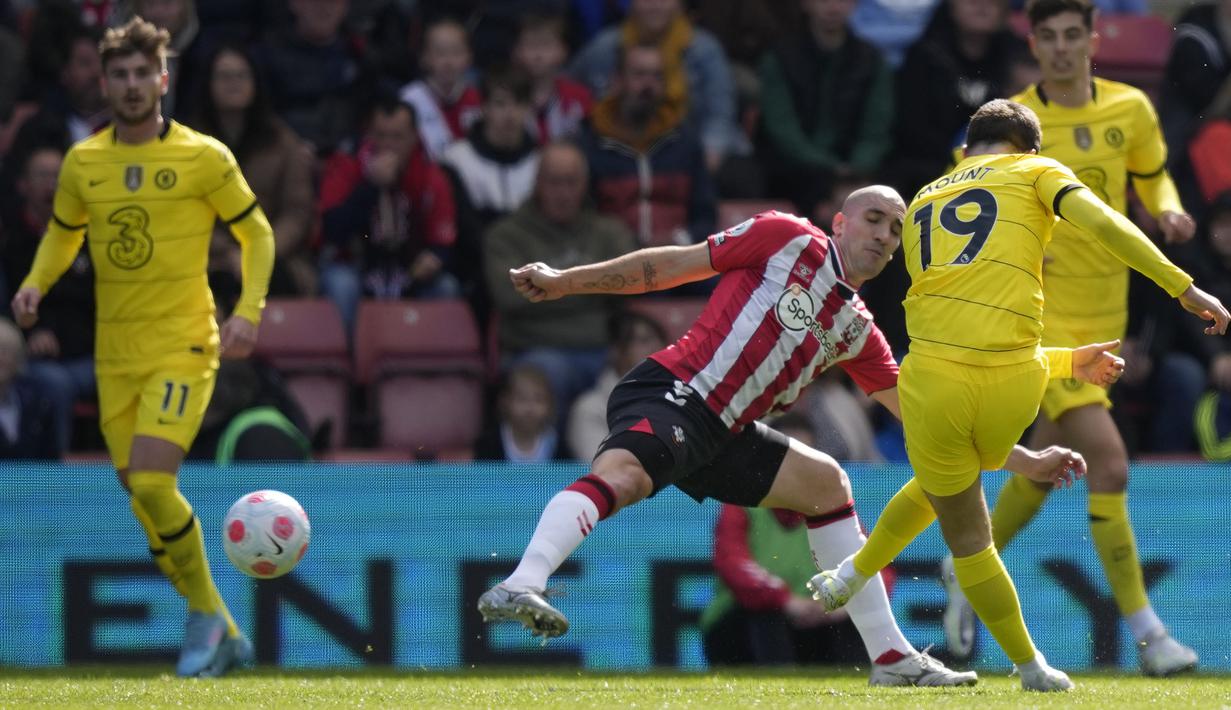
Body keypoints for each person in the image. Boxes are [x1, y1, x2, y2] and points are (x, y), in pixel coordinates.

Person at [477, 189, 1111, 686]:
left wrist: (1024, 460)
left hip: (725, 430)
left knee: (825, 483)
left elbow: (922, 425)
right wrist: (566, 280)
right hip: (675, 391)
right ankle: (521, 582)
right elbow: (667, 268)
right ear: (839, 222)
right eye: (873, 219)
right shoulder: (784, 237)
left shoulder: (859, 329)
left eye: (895, 229)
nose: (884, 235)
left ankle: (890, 657)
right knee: (625, 477)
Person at [807, 99, 1228, 692]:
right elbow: (1107, 224)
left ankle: (879, 583)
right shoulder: (1036, 171)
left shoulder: (925, 196)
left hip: (927, 379)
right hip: (1012, 381)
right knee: (962, 500)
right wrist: (1182, 286)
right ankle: (1038, 659)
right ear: (1029, 147)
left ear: (971, 143)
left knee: (958, 510)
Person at [942, 0, 1204, 676]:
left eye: (1071, 36)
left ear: (1091, 39)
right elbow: (958, 194)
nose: (1060, 49)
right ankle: (1149, 637)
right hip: (1036, 316)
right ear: (1033, 43)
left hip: (1104, 316)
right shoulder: (1009, 123)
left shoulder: (1129, 110)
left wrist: (1169, 210)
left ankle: (966, 561)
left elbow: (1151, 176)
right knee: (1108, 464)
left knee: (1045, 460)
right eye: (1047, 38)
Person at [10, 17, 275, 677]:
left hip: (184, 340)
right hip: (113, 354)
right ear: (103, 82)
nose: (131, 86)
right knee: (142, 498)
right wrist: (35, 283)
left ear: (164, 78)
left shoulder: (203, 157)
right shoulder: (84, 162)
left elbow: (259, 233)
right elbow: (64, 233)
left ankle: (204, 620)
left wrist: (247, 311)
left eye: (141, 73)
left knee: (156, 482)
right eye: (118, 75)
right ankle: (226, 629)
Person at [484, 141, 636, 427]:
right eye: (554, 182)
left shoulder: (609, 232)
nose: (563, 193)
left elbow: (627, 284)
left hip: (604, 352)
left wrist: (548, 286)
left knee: (648, 371)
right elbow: (509, 296)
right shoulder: (506, 236)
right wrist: (593, 284)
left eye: (571, 182)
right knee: (543, 377)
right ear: (537, 183)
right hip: (536, 352)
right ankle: (545, 470)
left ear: (585, 185)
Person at [700, 412, 870, 667]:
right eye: (788, 460)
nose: (797, 469)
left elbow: (872, 565)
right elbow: (732, 564)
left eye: (806, 459)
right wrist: (786, 601)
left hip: (818, 621)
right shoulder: (741, 504)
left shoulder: (831, 503)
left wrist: (841, 605)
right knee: (767, 616)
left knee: (852, 621)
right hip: (742, 627)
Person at [318, 96, 459, 332]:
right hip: (357, 266)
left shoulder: (431, 175)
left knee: (446, 287)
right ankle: (352, 364)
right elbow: (332, 231)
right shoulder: (347, 165)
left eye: (397, 137)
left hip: (409, 269)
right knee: (340, 283)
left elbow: (444, 238)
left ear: (414, 136)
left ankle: (433, 365)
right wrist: (370, 187)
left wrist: (435, 258)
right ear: (369, 135)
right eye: (380, 136)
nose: (388, 145)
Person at [188, 42, 317, 297]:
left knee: (279, 284)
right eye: (224, 76)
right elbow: (186, 210)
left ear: (255, 82)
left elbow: (297, 211)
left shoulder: (283, 141)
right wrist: (227, 253)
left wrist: (260, 251)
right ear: (208, 84)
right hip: (209, 259)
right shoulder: (190, 144)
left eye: (241, 75)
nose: (233, 83)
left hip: (273, 256)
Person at [1, 145, 95, 454]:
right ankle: (54, 472)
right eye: (42, 176)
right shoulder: (9, 239)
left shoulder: (92, 238)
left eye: (58, 176)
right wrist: (30, 334)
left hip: (91, 351)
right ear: (23, 185)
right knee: (53, 385)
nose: (51, 185)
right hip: (32, 355)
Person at [398, 17, 482, 161]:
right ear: (424, 57)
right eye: (440, 53)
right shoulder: (409, 100)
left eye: (456, 53)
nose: (448, 62)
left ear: (469, 57)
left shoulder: (478, 99)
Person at [511, 11, 594, 144]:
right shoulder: (508, 97)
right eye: (530, 45)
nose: (538, 55)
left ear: (563, 51)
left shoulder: (579, 96)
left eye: (546, 45)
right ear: (516, 52)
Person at [474, 363, 572, 462]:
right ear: (505, 402)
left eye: (538, 400)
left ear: (550, 404)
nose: (530, 408)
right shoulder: (490, 443)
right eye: (522, 399)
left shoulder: (557, 444)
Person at [0, 318, 60, 459]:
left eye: (6, 351)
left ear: (18, 358)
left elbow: (51, 461)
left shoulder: (39, 405)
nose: (0, 358)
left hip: (32, 481)